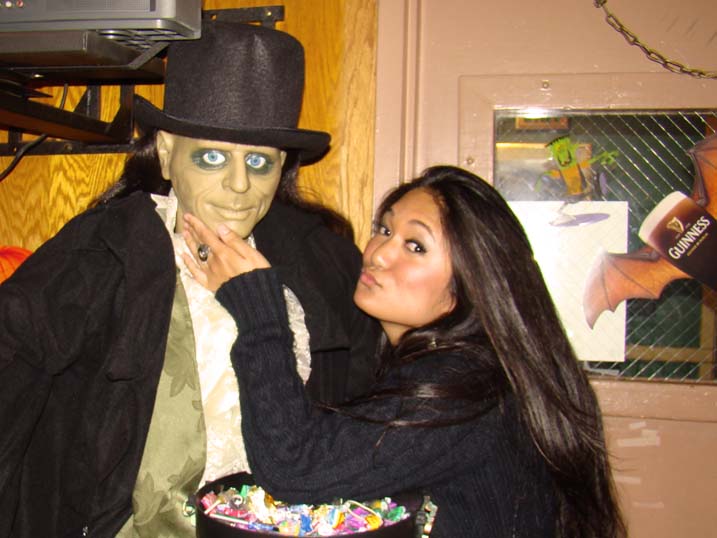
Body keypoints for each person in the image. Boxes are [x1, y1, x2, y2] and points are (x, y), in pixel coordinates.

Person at [0, 20, 380, 537]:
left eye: (259, 162)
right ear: (165, 153)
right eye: (212, 157)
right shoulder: (97, 259)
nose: (239, 185)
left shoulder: (323, 265)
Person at [181, 165, 628, 537]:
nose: (378, 253)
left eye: (415, 246)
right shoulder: (465, 369)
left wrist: (259, 311)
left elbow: (295, 467)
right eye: (384, 229)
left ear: (468, 285)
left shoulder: (463, 387)